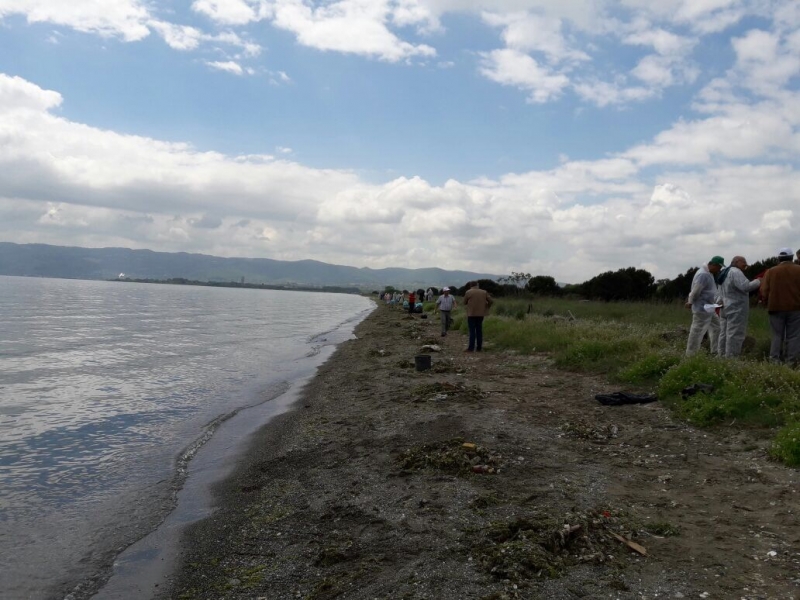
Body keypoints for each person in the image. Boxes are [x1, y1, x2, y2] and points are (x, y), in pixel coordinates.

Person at [761, 248, 800, 365]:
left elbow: (764, 290)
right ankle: (791, 361)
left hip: (775, 307)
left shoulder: (771, 271)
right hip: (796, 307)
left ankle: (774, 360)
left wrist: (766, 300)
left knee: (777, 335)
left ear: (779, 258)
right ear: (792, 257)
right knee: (794, 336)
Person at [717, 256, 761, 357]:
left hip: (724, 307)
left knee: (723, 333)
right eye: (744, 262)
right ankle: (731, 358)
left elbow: (719, 291)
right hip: (735, 308)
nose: (746, 265)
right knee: (735, 333)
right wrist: (758, 281)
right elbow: (745, 286)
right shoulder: (736, 272)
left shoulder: (724, 272)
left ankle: (721, 354)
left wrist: (719, 301)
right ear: (736, 262)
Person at [685, 256, 724, 356]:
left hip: (709, 308)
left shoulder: (708, 273)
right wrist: (690, 301)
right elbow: (696, 290)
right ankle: (690, 355)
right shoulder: (703, 275)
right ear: (714, 265)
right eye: (719, 268)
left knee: (717, 327)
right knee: (697, 331)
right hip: (702, 308)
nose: (719, 270)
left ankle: (715, 351)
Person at [463, 281, 493, 352]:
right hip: (481, 314)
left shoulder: (468, 292)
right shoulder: (484, 292)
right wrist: (487, 307)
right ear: (477, 285)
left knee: (472, 331)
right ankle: (479, 347)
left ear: (471, 285)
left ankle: (471, 348)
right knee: (479, 330)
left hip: (471, 314)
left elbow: (464, 302)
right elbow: (491, 301)